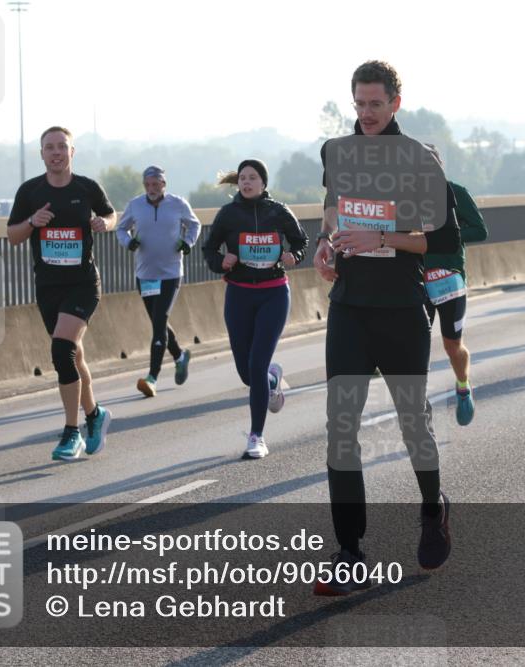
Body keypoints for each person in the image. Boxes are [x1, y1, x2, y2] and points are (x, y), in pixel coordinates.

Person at [312, 60, 461, 594]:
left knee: (412, 424)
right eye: (359, 103)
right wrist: (326, 244)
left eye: (376, 103)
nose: (367, 113)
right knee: (341, 430)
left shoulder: (419, 157)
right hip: (351, 306)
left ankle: (431, 508)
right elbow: (332, 210)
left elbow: (442, 241)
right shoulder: (338, 151)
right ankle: (350, 552)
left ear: (396, 102)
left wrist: (386, 241)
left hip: (401, 306)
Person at [7, 126, 116, 462]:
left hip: (83, 282)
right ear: (41, 154)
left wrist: (104, 223)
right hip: (48, 286)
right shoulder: (30, 191)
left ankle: (72, 433)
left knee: (61, 349)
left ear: (72, 152)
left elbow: (112, 215)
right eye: (49, 147)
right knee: (74, 355)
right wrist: (32, 222)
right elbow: (12, 235)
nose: (55, 152)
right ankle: (95, 415)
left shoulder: (87, 188)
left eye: (62, 147)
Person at [201, 159, 308, 459]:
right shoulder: (228, 214)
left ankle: (256, 436)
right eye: (243, 178)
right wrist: (219, 262)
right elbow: (209, 249)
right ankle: (272, 380)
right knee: (248, 374)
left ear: (263, 182)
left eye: (253, 178)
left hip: (274, 294)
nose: (247, 183)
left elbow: (302, 241)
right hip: (239, 295)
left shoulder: (279, 211)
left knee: (257, 365)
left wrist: (295, 256)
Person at [117, 166, 200, 397]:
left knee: (159, 320)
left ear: (164, 184)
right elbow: (121, 229)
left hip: (171, 273)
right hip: (145, 275)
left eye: (156, 184)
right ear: (144, 186)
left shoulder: (178, 204)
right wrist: (128, 242)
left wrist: (188, 242)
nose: (152, 189)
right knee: (158, 322)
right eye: (148, 185)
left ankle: (152, 377)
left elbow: (195, 225)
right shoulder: (135, 205)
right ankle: (180, 356)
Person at [421, 149, 487, 426]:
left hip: (449, 278)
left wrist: (450, 234)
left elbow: (480, 230)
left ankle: (463, 385)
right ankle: (418, 405)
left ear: (441, 164)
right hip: (417, 280)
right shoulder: (408, 198)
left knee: (452, 345)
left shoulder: (456, 192)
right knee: (414, 345)